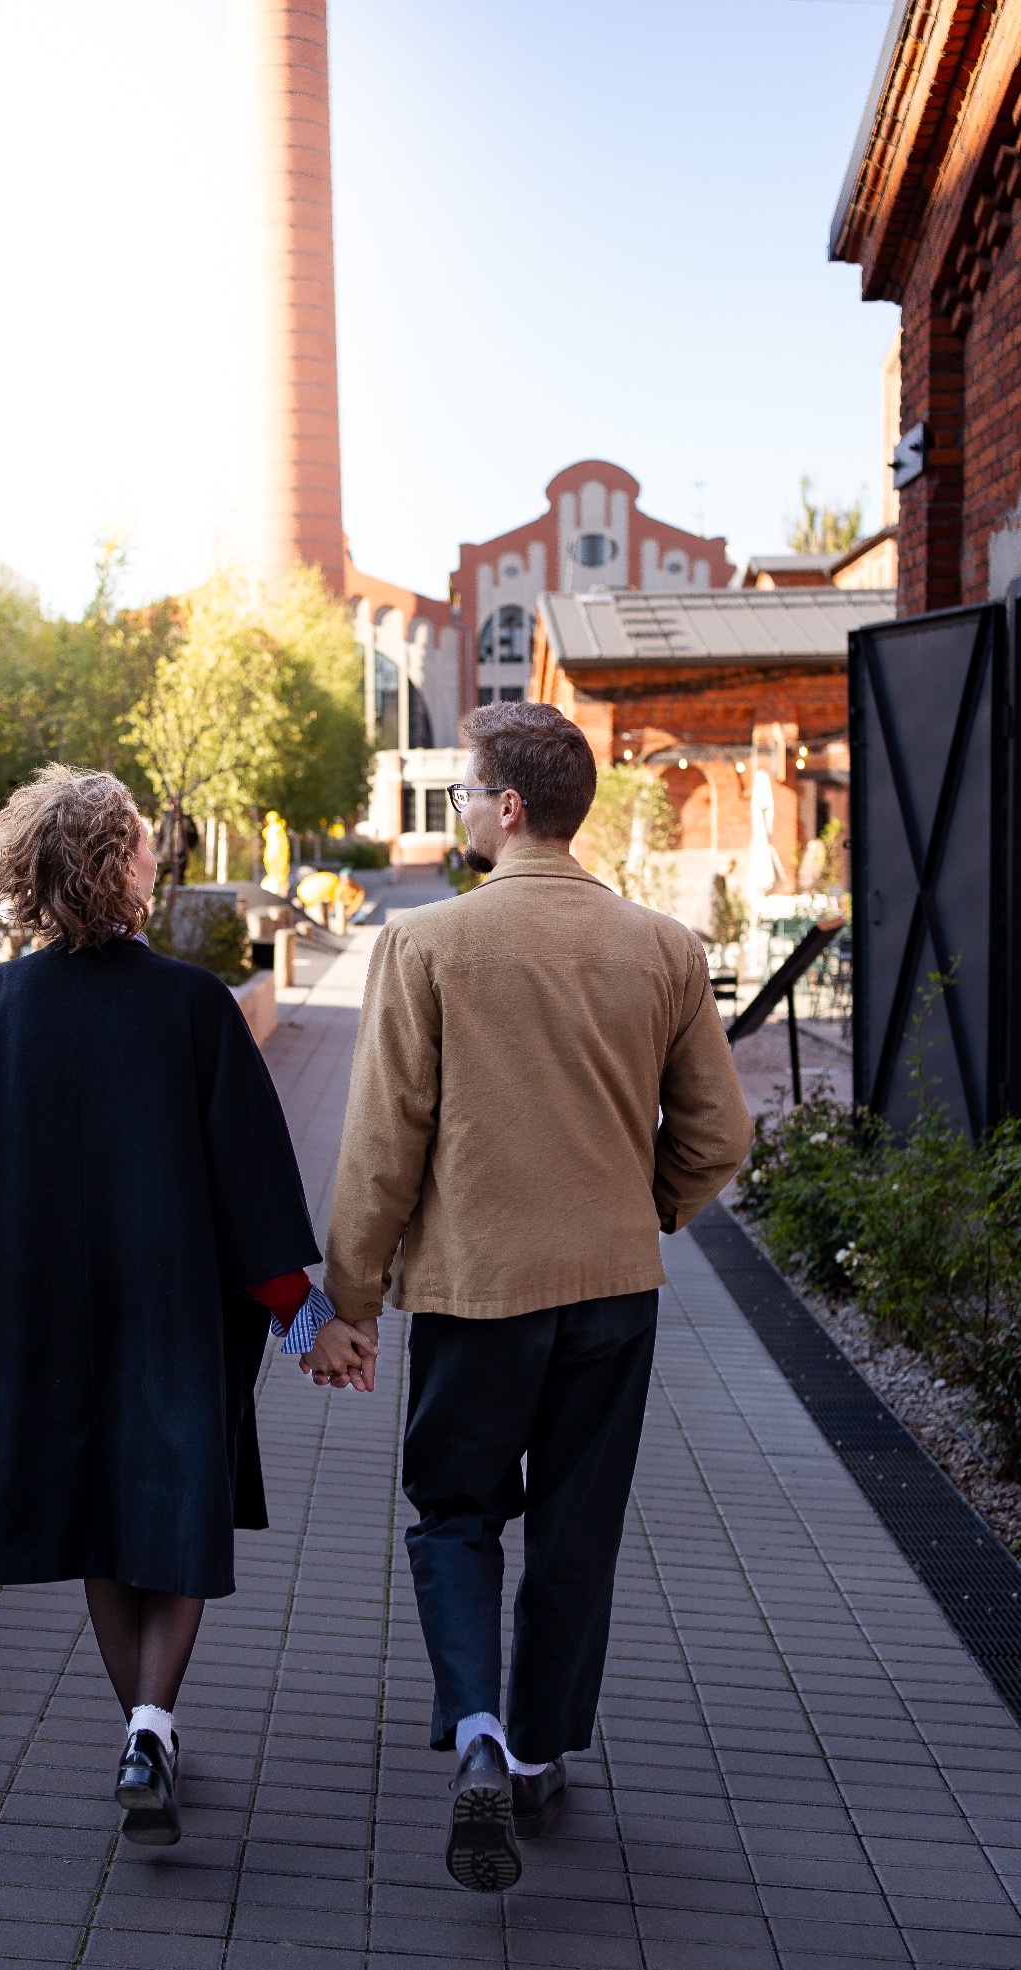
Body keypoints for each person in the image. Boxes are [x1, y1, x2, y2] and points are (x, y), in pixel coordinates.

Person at [306, 702, 752, 1893]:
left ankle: (477, 1731)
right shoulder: (660, 947)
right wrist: (643, 1206)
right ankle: (543, 1745)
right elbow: (718, 1133)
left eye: (460, 793)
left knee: (454, 1511)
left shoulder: (428, 944)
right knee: (575, 1524)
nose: (457, 811)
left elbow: (380, 1145)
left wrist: (346, 1297)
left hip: (475, 1292)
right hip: (614, 1293)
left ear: (507, 807)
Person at [0, 764, 355, 1846]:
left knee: (100, 1522)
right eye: (143, 844)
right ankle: (151, 1722)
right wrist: (312, 1325)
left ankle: (141, 1730)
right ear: (113, 867)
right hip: (169, 1313)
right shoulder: (188, 1005)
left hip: (43, 1318)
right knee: (174, 1508)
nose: (156, 856)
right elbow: (250, 1188)